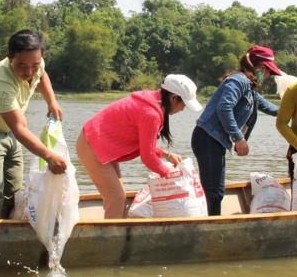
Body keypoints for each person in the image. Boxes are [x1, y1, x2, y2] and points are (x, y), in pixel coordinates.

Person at [0, 30, 68, 220]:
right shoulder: (2, 80)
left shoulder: (36, 62)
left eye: (34, 65)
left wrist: (51, 101)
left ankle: (6, 232)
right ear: (9, 57)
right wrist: (49, 155)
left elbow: (42, 75)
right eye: (21, 65)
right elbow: (20, 128)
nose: (28, 72)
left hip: (8, 131)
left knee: (15, 189)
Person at [76, 75, 203, 219]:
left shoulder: (153, 104)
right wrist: (170, 177)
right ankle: (111, 239)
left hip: (103, 146)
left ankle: (119, 235)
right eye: (184, 104)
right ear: (173, 98)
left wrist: (166, 155)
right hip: (93, 145)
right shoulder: (151, 113)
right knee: (116, 198)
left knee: (119, 198)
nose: (182, 109)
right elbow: (147, 157)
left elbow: (145, 144)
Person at [192, 46, 280, 216]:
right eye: (269, 72)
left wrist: (293, 109)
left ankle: (212, 226)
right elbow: (224, 107)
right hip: (207, 138)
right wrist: (239, 137)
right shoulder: (239, 81)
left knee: (217, 191)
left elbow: (268, 107)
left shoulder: (250, 89)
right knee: (213, 193)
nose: (268, 77)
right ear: (261, 68)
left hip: (214, 141)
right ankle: (210, 232)